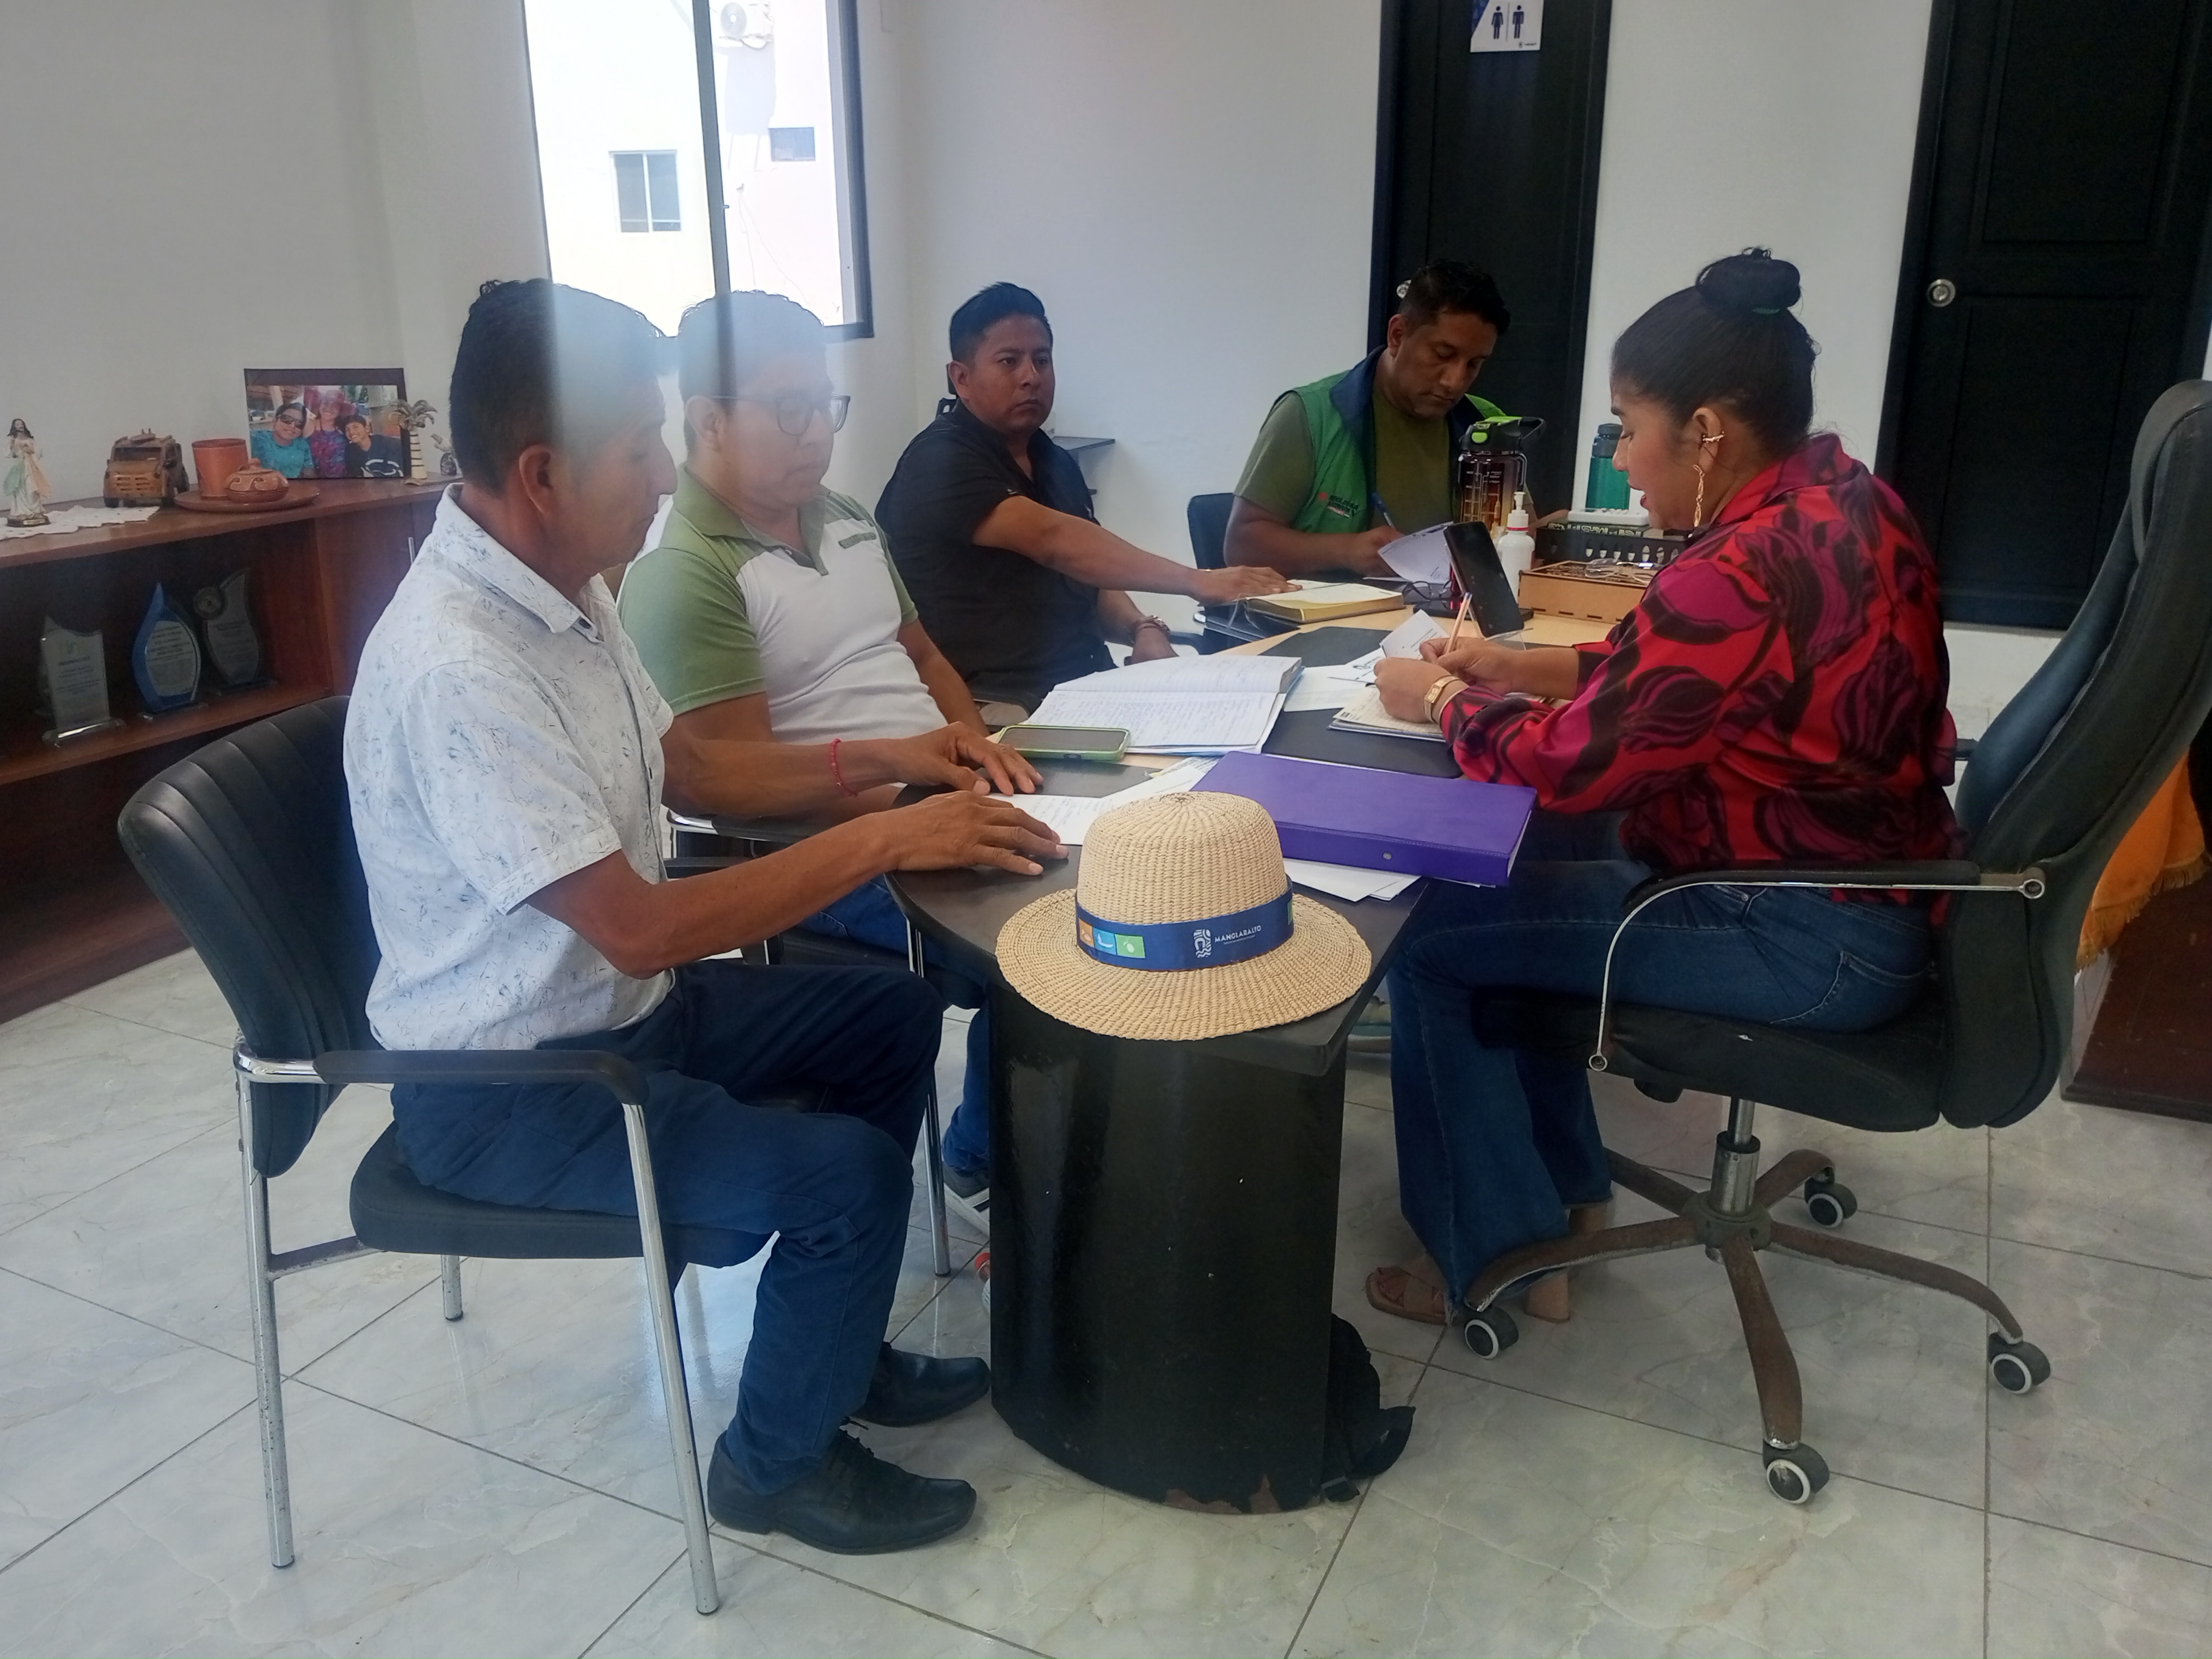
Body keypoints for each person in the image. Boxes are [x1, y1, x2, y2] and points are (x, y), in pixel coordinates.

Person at [345, 277, 1063, 1553]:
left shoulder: (567, 587)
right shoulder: (463, 665)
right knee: (845, 1180)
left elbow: (684, 767)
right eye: (642, 448)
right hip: (511, 1087)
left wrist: (890, 760)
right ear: (542, 472)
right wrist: (887, 832)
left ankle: (830, 1352)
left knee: (889, 1014)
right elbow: (634, 924)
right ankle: (773, 1467)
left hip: (619, 1010)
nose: (666, 477)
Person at [1363, 250, 1960, 1327]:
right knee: (1518, 883)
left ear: (1707, 431)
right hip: (1870, 901)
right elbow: (1693, 677)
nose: (1622, 460)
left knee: (1431, 944)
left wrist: (1439, 700)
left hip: (1798, 935)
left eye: (1628, 426)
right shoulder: (1847, 501)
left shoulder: (1733, 569)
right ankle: (1565, 1202)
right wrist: (1518, 665)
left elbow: (1573, 764)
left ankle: (1496, 1263)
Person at [619, 287, 1032, 1206]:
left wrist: (976, 749)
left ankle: (1012, 1146)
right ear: (709, 420)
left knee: (1105, 876)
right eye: (789, 410)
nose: (816, 434)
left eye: (825, 405)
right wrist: (906, 799)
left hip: (934, 793)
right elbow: (729, 787)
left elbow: (924, 657)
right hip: (831, 850)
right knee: (1041, 945)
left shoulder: (843, 512)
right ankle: (988, 1160)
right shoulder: (684, 569)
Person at [877, 282, 1292, 715]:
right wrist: (1196, 581)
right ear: (961, 378)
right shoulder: (938, 460)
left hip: (1084, 686)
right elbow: (1054, 541)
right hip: (993, 701)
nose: (1031, 377)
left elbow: (1089, 577)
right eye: (1009, 362)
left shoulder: (1052, 459)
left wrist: (1143, 628)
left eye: (1042, 360)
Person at [1224, 261, 1513, 579]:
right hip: (1335, 609)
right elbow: (1241, 546)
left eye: (1473, 365)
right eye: (1443, 355)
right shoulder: (1309, 415)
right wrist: (1347, 551)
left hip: (1452, 608)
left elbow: (1517, 538)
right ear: (1397, 335)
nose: (1454, 382)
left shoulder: (1488, 426)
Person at [251, 403, 311, 477]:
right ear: (275, 420)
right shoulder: (256, 438)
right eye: (287, 419)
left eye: (299, 424)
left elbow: (309, 474)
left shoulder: (302, 446)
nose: (292, 426)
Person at [343, 411, 407, 477]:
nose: (352, 432)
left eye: (356, 427)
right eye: (347, 429)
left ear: (367, 429)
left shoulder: (390, 444)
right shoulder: (351, 451)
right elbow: (356, 476)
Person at [308, 390, 352, 477]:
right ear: (320, 405)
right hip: (315, 480)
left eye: (335, 405)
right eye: (326, 403)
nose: (329, 408)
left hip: (343, 480)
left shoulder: (344, 428)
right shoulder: (309, 424)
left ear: (340, 410)